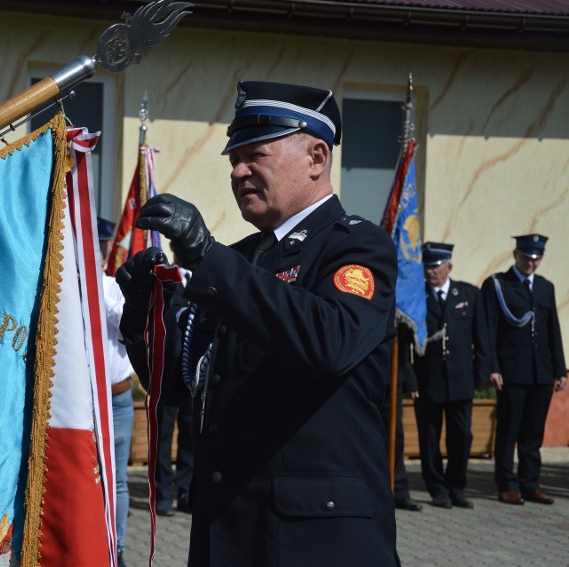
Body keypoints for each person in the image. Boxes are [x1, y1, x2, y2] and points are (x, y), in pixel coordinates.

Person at [117, 81, 400, 566]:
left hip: (313, 545)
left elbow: (327, 342)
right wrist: (146, 311)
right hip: (229, 533)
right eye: (233, 160)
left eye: (255, 156)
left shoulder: (356, 247)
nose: (238, 171)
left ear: (316, 157)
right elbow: (177, 386)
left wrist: (209, 258)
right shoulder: (242, 261)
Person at [481, 234, 568, 505]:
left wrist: (560, 370)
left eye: (536, 258)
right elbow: (488, 330)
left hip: (540, 373)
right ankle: (507, 485)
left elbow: (553, 329)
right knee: (508, 431)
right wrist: (493, 367)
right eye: (526, 257)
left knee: (533, 432)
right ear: (516, 254)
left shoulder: (545, 287)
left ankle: (530, 483)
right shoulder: (498, 285)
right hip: (512, 372)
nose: (531, 263)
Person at [411, 242, 489, 509]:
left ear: (449, 267)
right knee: (429, 437)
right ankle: (437, 489)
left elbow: (482, 340)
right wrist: (410, 380)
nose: (430, 271)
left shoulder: (468, 294)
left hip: (460, 381)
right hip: (428, 380)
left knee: (461, 436)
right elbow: (405, 343)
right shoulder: (415, 297)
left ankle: (457, 486)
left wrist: (482, 376)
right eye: (427, 265)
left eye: (435, 266)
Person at [97, 217, 135, 567]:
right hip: (87, 401)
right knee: (89, 474)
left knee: (118, 480)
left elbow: (129, 326)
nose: (98, 249)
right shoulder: (66, 287)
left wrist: (97, 290)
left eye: (102, 244)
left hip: (118, 397)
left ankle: (118, 548)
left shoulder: (112, 286)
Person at [386, 324, 422, 512]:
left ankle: (398, 490)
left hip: (394, 377)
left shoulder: (401, 300)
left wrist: (410, 380)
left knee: (396, 437)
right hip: (366, 374)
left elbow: (405, 348)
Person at [155, 394, 194, 516]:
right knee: (162, 435)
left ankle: (185, 491)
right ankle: (163, 494)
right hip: (167, 380)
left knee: (190, 435)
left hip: (191, 382)